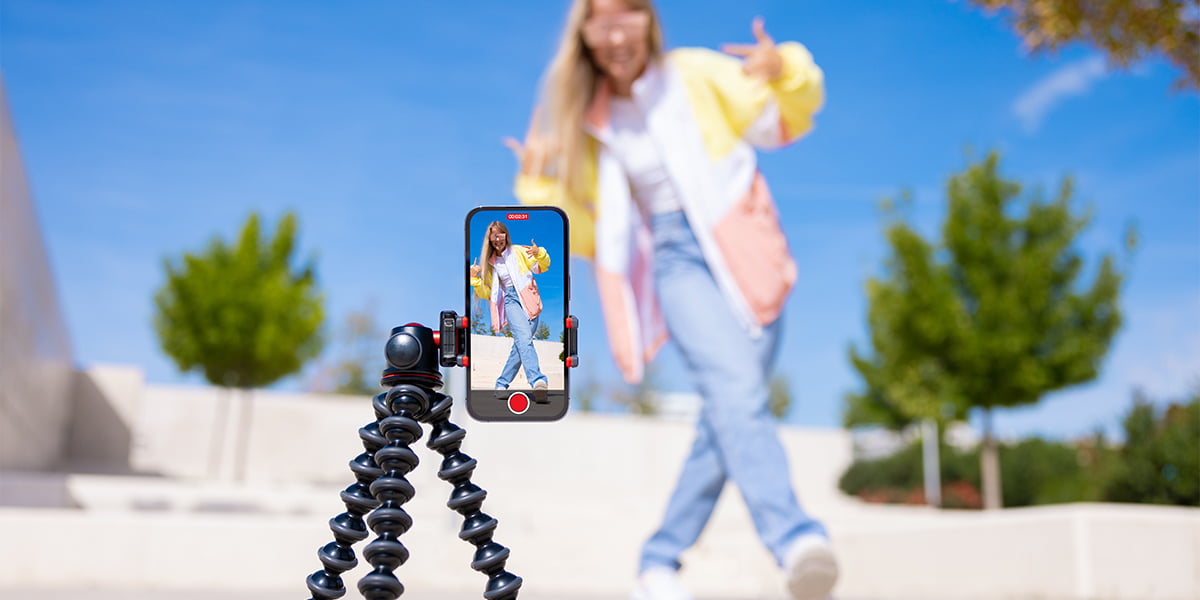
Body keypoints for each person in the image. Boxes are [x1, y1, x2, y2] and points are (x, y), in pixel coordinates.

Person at [505, 0, 836, 599]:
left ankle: (658, 562)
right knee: (738, 395)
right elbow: (582, 232)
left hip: (749, 248)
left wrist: (784, 67)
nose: (617, 29)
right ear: (583, 34)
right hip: (675, 260)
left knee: (729, 414)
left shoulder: (695, 73)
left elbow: (783, 120)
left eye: (630, 10)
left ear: (649, 21)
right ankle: (795, 540)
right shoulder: (581, 119)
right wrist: (535, 187)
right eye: (600, 17)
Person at [470, 220, 552, 402]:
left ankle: (501, 383)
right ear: (490, 239)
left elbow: (542, 267)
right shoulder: (490, 264)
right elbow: (486, 292)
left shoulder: (519, 251)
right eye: (494, 235)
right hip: (512, 300)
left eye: (501, 234)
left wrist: (540, 253)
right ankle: (538, 381)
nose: (498, 238)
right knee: (524, 340)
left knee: (521, 345)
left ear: (506, 235)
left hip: (530, 300)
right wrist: (474, 279)